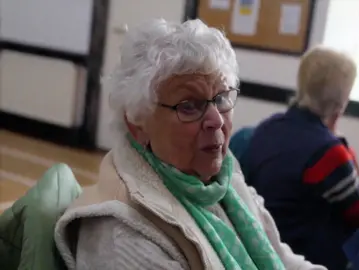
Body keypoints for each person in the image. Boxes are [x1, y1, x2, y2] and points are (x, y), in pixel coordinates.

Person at [53, 19, 326, 270]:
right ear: (137, 122)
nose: (216, 120)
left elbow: (281, 259)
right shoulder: (121, 235)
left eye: (221, 99)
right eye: (189, 106)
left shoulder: (224, 182)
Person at [243, 46, 359, 270]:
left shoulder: (268, 128)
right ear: (341, 103)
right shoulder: (330, 154)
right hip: (306, 261)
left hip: (259, 252)